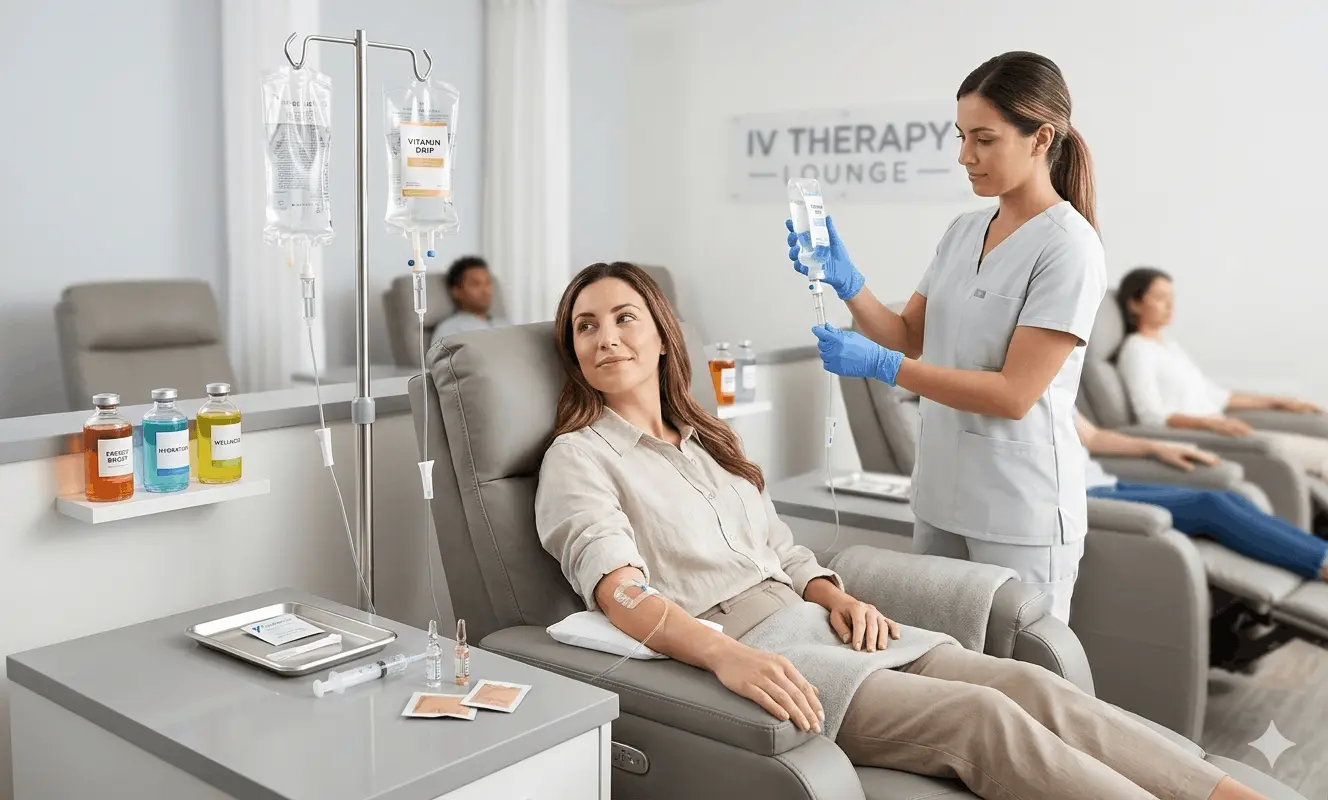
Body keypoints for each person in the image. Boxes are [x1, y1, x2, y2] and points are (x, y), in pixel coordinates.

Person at [535, 261, 1266, 800]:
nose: (605, 337)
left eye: (624, 316)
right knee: (981, 717)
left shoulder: (708, 440)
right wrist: (725, 659)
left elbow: (783, 551)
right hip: (756, 654)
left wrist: (834, 596)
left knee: (1026, 683)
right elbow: (619, 594)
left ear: (663, 334)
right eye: (585, 326)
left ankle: (1221, 793)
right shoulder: (579, 456)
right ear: (574, 352)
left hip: (816, 624)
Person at [788, 52, 1106, 622]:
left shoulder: (1068, 247)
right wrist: (849, 282)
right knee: (947, 673)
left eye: (984, 139)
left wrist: (882, 368)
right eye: (961, 137)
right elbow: (909, 335)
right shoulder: (963, 231)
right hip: (939, 495)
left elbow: (1013, 394)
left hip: (1019, 511)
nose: (965, 156)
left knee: (1021, 683)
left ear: (1041, 138)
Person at [1114, 266, 1328, 480]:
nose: (1170, 305)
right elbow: (1150, 416)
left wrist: (1278, 402)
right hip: (1208, 438)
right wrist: (1209, 424)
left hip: (1222, 430)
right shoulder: (1136, 350)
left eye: (1172, 297)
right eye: (1161, 297)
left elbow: (1218, 396)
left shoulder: (1171, 349)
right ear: (1135, 304)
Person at [1078, 411, 1328, 580]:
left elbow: (1093, 436)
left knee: (1229, 498)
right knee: (1211, 505)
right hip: (1081, 493)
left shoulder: (1058, 386)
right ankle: (1321, 564)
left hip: (1103, 481)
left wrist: (1157, 448)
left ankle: (1322, 552)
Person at [430, 256, 510, 345]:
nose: (485, 291)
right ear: (456, 291)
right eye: (475, 284)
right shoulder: (450, 330)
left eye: (488, 283)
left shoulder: (505, 323)